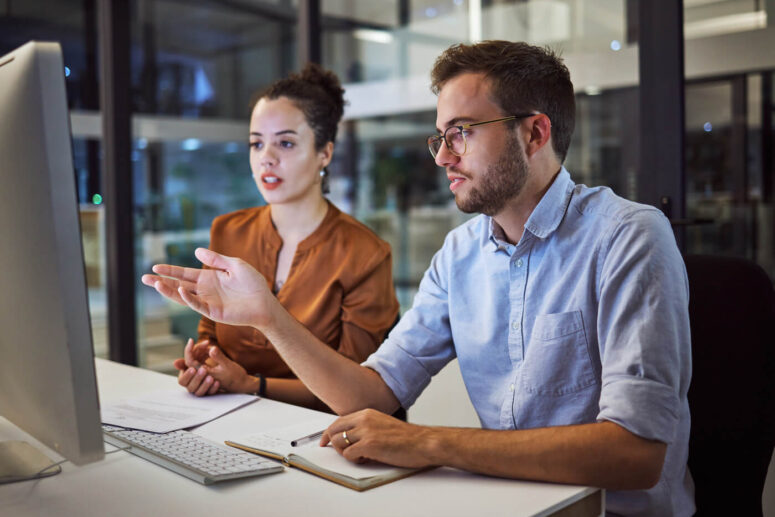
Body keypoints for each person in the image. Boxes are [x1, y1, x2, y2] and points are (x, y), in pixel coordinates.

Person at [143, 41, 694, 516]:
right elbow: (372, 392)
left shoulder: (628, 237)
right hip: (504, 504)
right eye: (440, 137)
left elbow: (636, 453)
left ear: (534, 133)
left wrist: (428, 440)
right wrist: (265, 313)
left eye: (461, 134)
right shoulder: (459, 254)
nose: (443, 158)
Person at [170, 63, 399, 412]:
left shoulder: (365, 253)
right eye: (256, 144)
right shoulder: (228, 231)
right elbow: (211, 333)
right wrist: (207, 364)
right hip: (229, 421)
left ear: (325, 153)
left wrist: (250, 385)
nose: (267, 158)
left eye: (286, 143)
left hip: (320, 437)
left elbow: (358, 387)